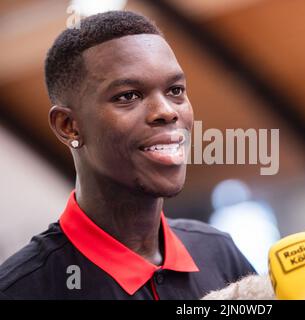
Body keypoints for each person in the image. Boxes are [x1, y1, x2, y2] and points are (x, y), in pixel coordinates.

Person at [0, 11, 255, 300]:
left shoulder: (219, 254)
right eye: (128, 96)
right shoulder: (22, 290)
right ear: (69, 126)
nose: (167, 111)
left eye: (175, 90)